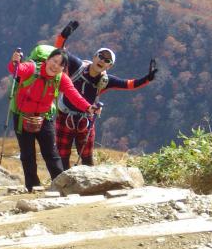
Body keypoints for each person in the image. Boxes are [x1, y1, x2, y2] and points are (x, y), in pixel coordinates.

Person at [53, 21, 158, 169]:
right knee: (62, 155)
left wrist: (148, 78)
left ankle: (88, 182)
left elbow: (129, 84)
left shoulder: (106, 81)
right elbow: (60, 51)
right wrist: (63, 36)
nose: (102, 60)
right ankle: (63, 181)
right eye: (101, 56)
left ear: (110, 66)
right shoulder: (77, 66)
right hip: (65, 116)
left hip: (86, 119)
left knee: (87, 157)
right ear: (94, 56)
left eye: (107, 60)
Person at [8, 46, 95, 192]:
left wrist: (88, 108)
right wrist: (14, 62)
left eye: (60, 65)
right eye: (54, 61)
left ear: (63, 68)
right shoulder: (32, 68)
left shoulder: (61, 78)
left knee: (52, 153)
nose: (55, 66)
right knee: (27, 153)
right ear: (47, 60)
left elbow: (73, 94)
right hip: (22, 115)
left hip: (44, 117)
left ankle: (60, 185)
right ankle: (33, 186)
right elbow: (16, 70)